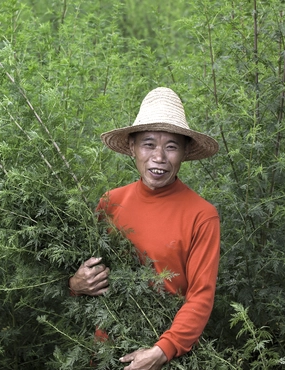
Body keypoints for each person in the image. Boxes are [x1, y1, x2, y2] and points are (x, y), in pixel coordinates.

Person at [68, 87, 221, 370]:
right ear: (132, 148)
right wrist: (75, 284)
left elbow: (200, 297)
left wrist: (162, 351)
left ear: (184, 152)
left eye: (171, 146)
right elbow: (83, 273)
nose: (159, 156)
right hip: (105, 352)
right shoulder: (110, 202)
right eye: (149, 144)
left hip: (165, 355)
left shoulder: (202, 215)